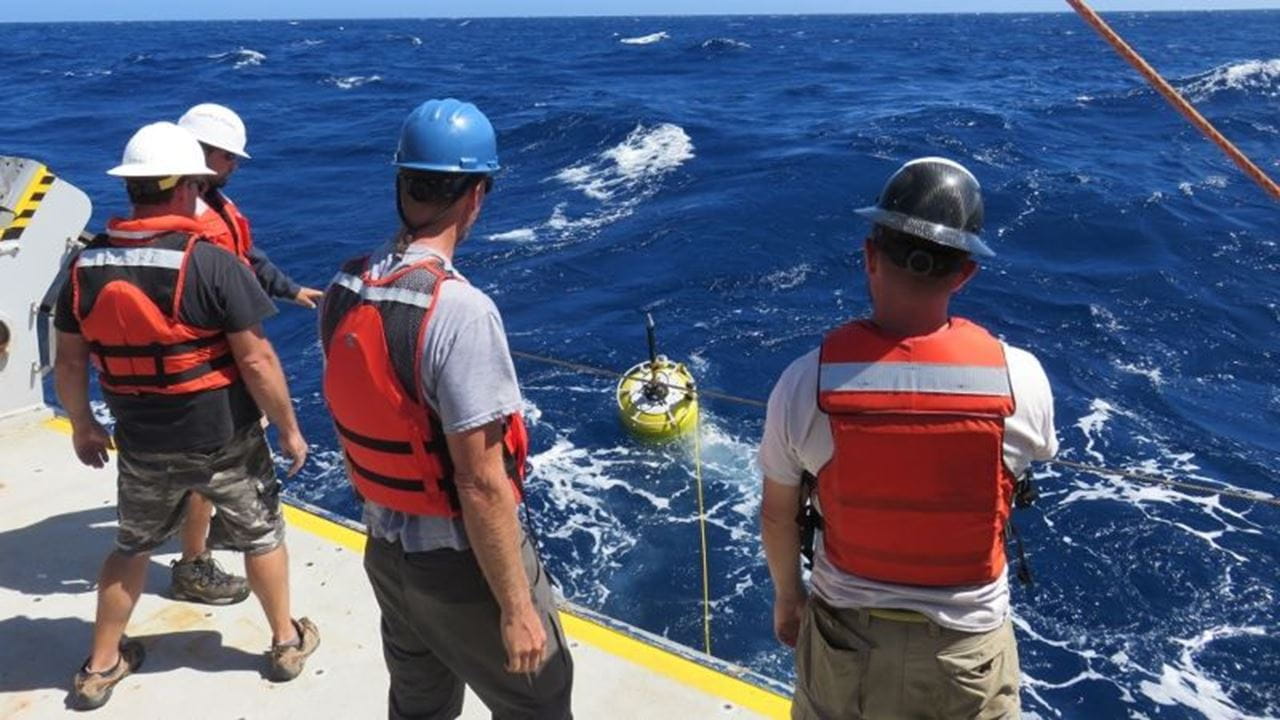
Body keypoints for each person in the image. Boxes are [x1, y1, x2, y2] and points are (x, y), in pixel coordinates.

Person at [759, 157, 1058, 720]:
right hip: (966, 655)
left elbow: (778, 515)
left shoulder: (804, 383)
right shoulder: (1023, 381)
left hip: (844, 646)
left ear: (870, 258)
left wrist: (788, 598)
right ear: (965, 273)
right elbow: (1035, 451)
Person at [320, 98, 573, 720]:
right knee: (539, 700)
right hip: (459, 566)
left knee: (419, 704)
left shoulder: (344, 288)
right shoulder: (461, 312)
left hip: (386, 552)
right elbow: (481, 483)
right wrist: (515, 608)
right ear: (477, 194)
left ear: (401, 185)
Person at [54, 121, 319, 711]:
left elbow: (68, 363)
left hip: (141, 439)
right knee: (261, 534)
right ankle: (284, 642)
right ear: (184, 187)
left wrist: (81, 424)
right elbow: (256, 359)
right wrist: (289, 427)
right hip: (223, 436)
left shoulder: (82, 266)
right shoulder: (210, 263)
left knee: (132, 545)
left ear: (133, 189)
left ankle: (100, 666)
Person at [162, 102, 323, 606]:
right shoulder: (179, 219)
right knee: (201, 474)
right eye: (228, 157)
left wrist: (289, 289)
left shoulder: (208, 207)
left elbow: (244, 257)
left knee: (215, 468)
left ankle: (219, 525)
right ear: (202, 156)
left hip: (219, 362)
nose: (235, 166)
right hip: (203, 369)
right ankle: (192, 565)